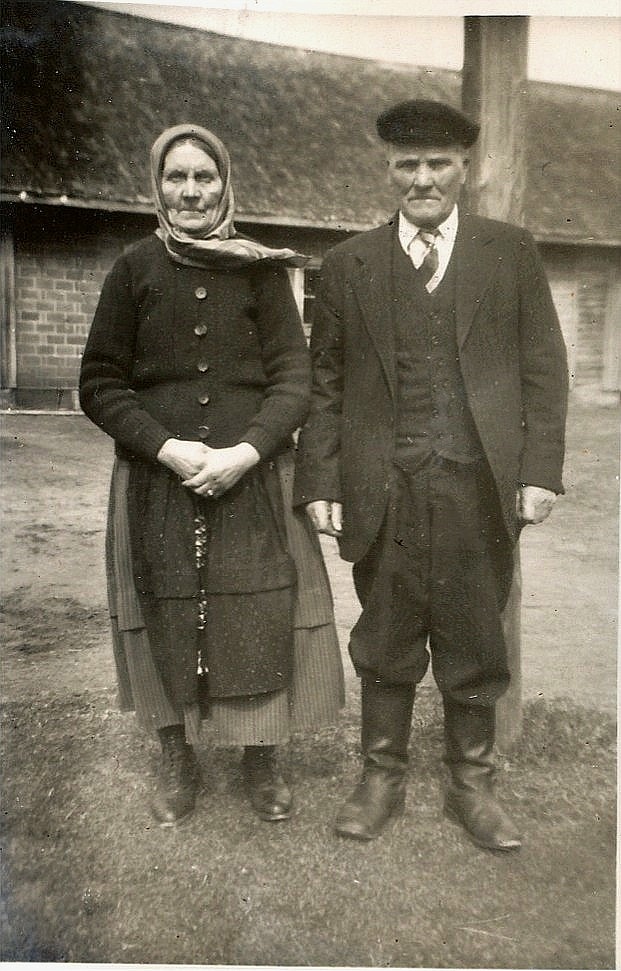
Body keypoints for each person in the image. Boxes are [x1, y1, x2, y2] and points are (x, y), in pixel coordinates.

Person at [294, 99, 568, 851]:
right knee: (385, 631)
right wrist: (320, 479)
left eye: (437, 163)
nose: (422, 178)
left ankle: (470, 785)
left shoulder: (509, 252)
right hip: (381, 487)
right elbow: (326, 385)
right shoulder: (348, 264)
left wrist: (538, 469)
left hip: (478, 487)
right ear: (389, 170)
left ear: (463, 170)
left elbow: (544, 369)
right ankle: (380, 776)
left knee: (475, 632)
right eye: (407, 165)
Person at [80, 123, 344, 828]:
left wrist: (247, 450)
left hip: (251, 476)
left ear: (225, 184)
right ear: (157, 185)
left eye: (205, 177)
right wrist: (165, 447)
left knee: (257, 607)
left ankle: (261, 754)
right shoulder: (132, 268)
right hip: (156, 477)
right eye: (177, 177)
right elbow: (100, 382)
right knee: (161, 605)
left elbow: (295, 378)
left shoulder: (259, 269)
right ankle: (177, 753)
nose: (191, 190)